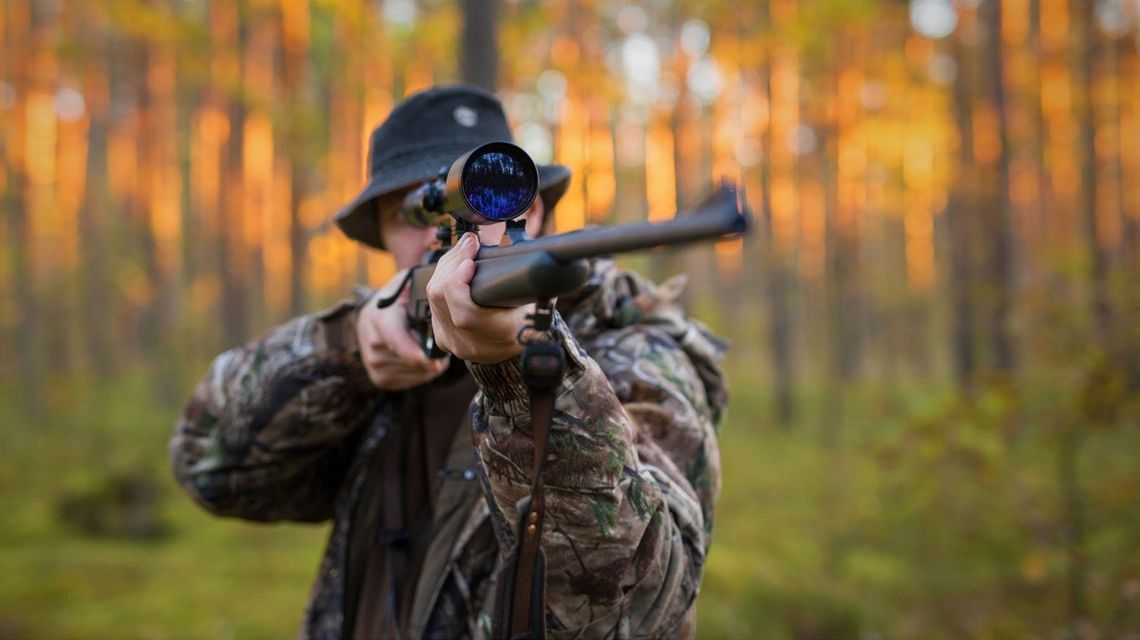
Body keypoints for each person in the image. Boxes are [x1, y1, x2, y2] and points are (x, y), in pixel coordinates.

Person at [170, 85, 727, 639]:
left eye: (478, 200)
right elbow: (209, 466)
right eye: (411, 213)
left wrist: (521, 371)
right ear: (384, 234)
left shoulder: (635, 345)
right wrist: (346, 349)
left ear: (528, 210)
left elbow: (638, 609)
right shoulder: (375, 347)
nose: (445, 235)